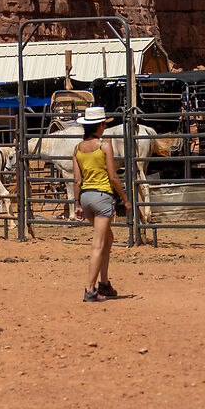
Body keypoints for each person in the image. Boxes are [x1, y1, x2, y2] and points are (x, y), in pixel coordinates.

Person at [69, 108, 129, 301]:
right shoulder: (105, 146)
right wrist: (126, 200)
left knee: (107, 239)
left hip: (86, 199)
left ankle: (104, 283)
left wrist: (77, 204)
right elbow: (113, 177)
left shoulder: (77, 149)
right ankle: (90, 289)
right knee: (98, 244)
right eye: (104, 124)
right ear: (100, 125)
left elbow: (77, 181)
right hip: (102, 198)